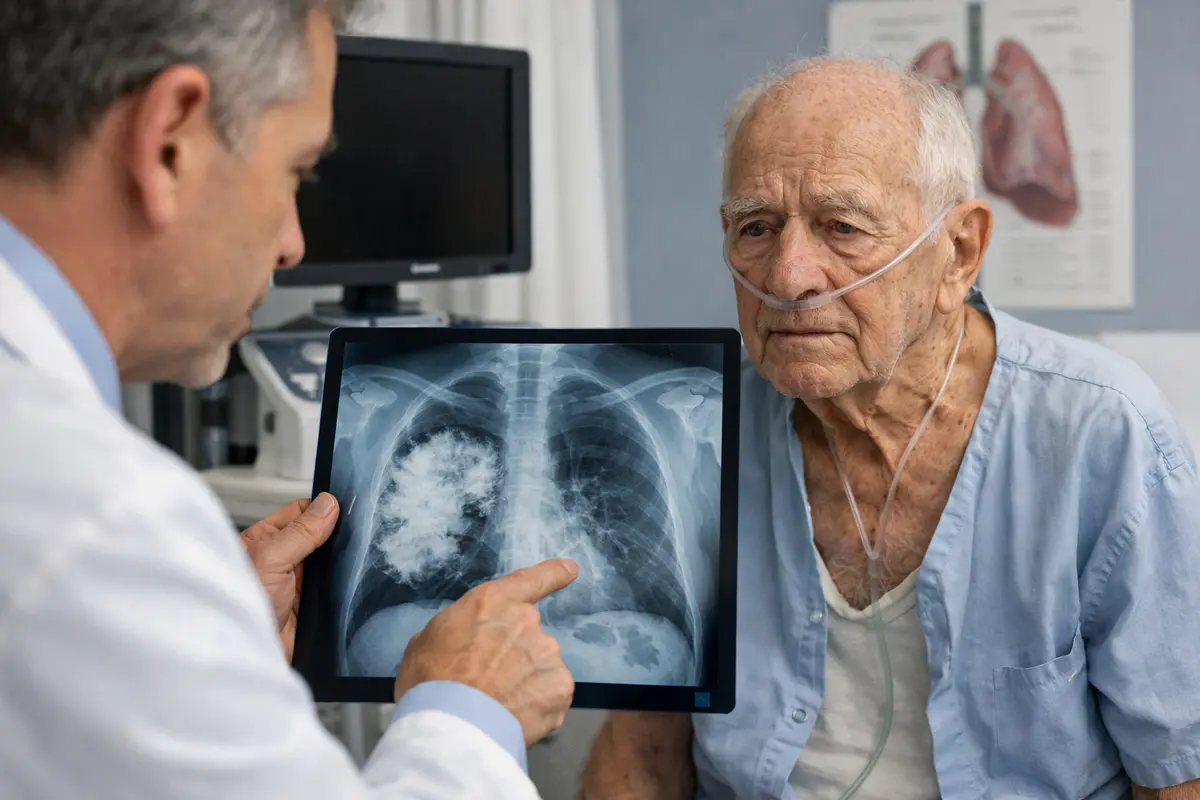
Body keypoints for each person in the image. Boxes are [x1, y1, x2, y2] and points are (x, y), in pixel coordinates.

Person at [581, 57, 1200, 799]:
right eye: (757, 227)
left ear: (959, 253)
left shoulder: (1099, 434)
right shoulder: (692, 432)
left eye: (842, 227)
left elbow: (1177, 772)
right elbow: (642, 754)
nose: (788, 277)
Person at [0, 2, 577, 798]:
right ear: (171, 139)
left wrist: (197, 633)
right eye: (295, 173)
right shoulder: (94, 514)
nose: (294, 242)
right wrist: (469, 708)